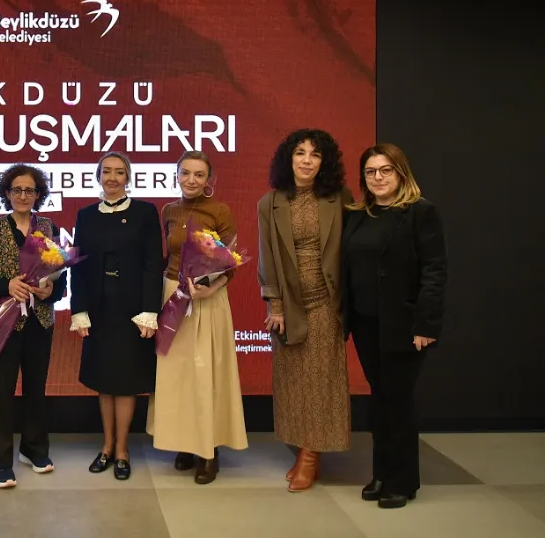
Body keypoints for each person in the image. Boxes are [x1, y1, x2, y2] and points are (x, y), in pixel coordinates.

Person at [343, 143, 447, 509]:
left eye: (385, 170)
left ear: (401, 173)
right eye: (370, 172)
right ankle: (382, 473)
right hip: (365, 323)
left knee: (398, 401)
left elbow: (435, 271)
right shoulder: (358, 215)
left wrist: (425, 324)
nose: (378, 178)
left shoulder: (420, 212)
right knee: (380, 400)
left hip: (405, 325)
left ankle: (402, 481)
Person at [257, 128, 353, 492]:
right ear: (289, 159)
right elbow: (267, 257)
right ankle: (302, 449)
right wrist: (275, 305)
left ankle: (310, 457)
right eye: (300, 153)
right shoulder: (270, 203)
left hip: (327, 302)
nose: (307, 161)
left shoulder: (340, 198)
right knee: (294, 383)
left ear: (324, 162)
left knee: (321, 381)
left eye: (315, 154)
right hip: (290, 305)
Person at [147, 151, 248, 484]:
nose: (191, 180)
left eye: (199, 174)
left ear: (209, 180)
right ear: (177, 175)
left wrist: (211, 288)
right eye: (185, 173)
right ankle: (183, 444)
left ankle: (208, 451)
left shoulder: (220, 211)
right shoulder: (168, 210)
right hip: (172, 295)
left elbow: (230, 262)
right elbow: (168, 255)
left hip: (207, 298)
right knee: (176, 375)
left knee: (205, 374)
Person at [0, 164, 67, 488]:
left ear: (39, 194)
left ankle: (34, 449)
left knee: (36, 388)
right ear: (7, 194)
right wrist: (6, 285)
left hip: (40, 320)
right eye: (17, 190)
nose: (23, 196)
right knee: (2, 391)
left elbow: (61, 276)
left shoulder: (49, 227)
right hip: (3, 320)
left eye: (29, 190)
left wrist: (53, 290)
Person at [71, 152, 163, 480]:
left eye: (119, 172)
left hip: (133, 311)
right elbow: (78, 265)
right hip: (99, 310)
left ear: (128, 178)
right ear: (98, 176)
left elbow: (153, 264)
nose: (112, 177)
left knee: (125, 382)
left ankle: (122, 449)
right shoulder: (85, 215)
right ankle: (106, 446)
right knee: (104, 380)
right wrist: (79, 310)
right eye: (106, 171)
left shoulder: (145, 212)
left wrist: (150, 311)